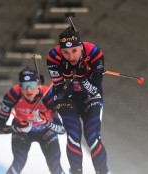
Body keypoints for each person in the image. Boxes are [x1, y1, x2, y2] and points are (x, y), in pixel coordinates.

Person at [46, 27, 109, 174]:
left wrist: (81, 78)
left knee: (92, 137)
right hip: (66, 98)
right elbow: (61, 89)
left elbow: (94, 89)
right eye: (66, 53)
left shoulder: (94, 53)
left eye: (74, 51)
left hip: (90, 96)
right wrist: (68, 77)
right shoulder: (54, 56)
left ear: (81, 46)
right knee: (73, 135)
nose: (71, 56)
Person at [0, 69, 66, 174]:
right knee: (18, 162)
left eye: (32, 85)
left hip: (46, 131)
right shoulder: (13, 94)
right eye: (24, 86)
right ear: (20, 87)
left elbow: (62, 129)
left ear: (39, 85)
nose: (28, 90)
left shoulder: (48, 94)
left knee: (55, 166)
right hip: (22, 133)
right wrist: (18, 128)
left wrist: (45, 122)